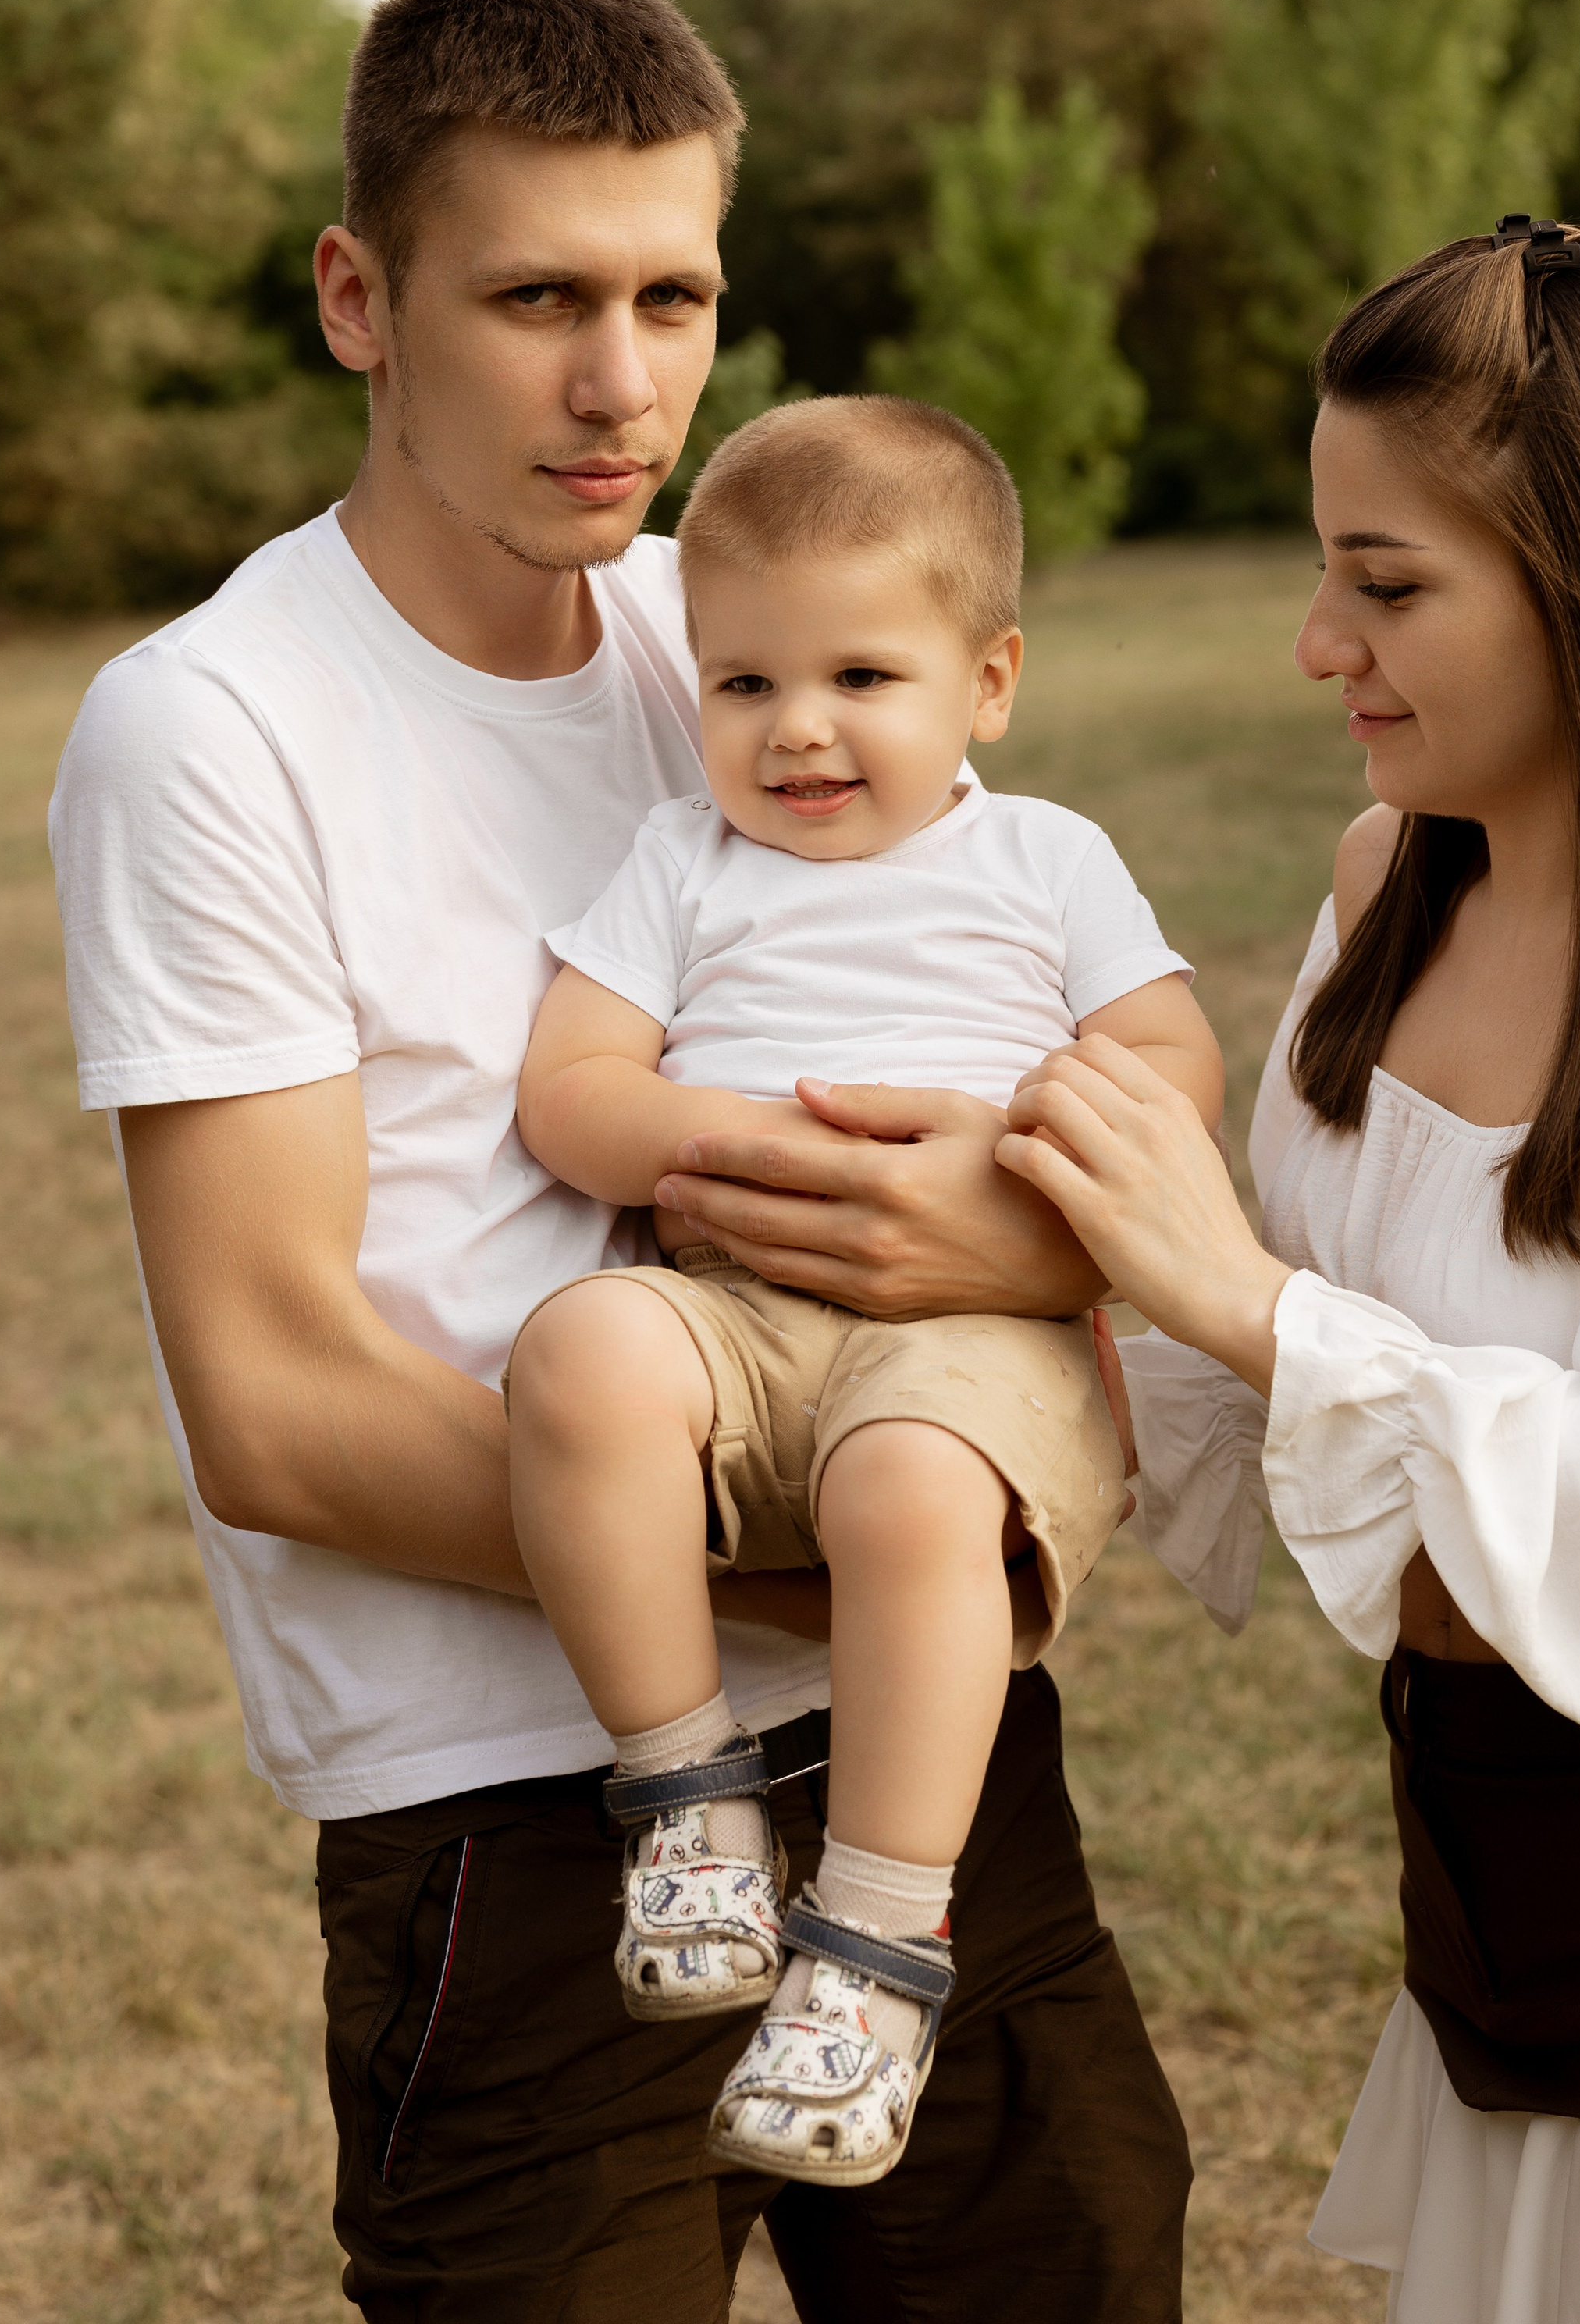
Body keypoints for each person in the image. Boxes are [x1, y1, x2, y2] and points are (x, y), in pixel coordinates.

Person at [47, 0, 1192, 2324]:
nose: (621, 382)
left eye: (674, 294)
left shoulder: (739, 635)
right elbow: (273, 1408)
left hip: (919, 1778)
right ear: (359, 296)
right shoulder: (216, 730)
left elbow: (1060, 1031)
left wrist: (994, 1252)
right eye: (538, 296)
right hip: (516, 1813)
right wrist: (877, 1595)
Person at [1006, 221, 1580, 2320]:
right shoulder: (1389, 889)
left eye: (1391, 584)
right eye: (1332, 568)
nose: (1324, 643)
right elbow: (1279, 1389)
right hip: (1479, 1920)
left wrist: (1240, 1303)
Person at [507, 390, 1222, 2187]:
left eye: (860, 680)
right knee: (581, 1350)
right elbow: (571, 1093)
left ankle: (874, 1948)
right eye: (742, 684)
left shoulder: (1041, 859)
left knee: (912, 1490)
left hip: (971, 1335)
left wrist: (1026, 1167)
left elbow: (1171, 1067)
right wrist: (719, 1132)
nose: (797, 729)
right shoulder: (682, 862)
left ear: (985, 680)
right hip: (735, 1311)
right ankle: (686, 1797)